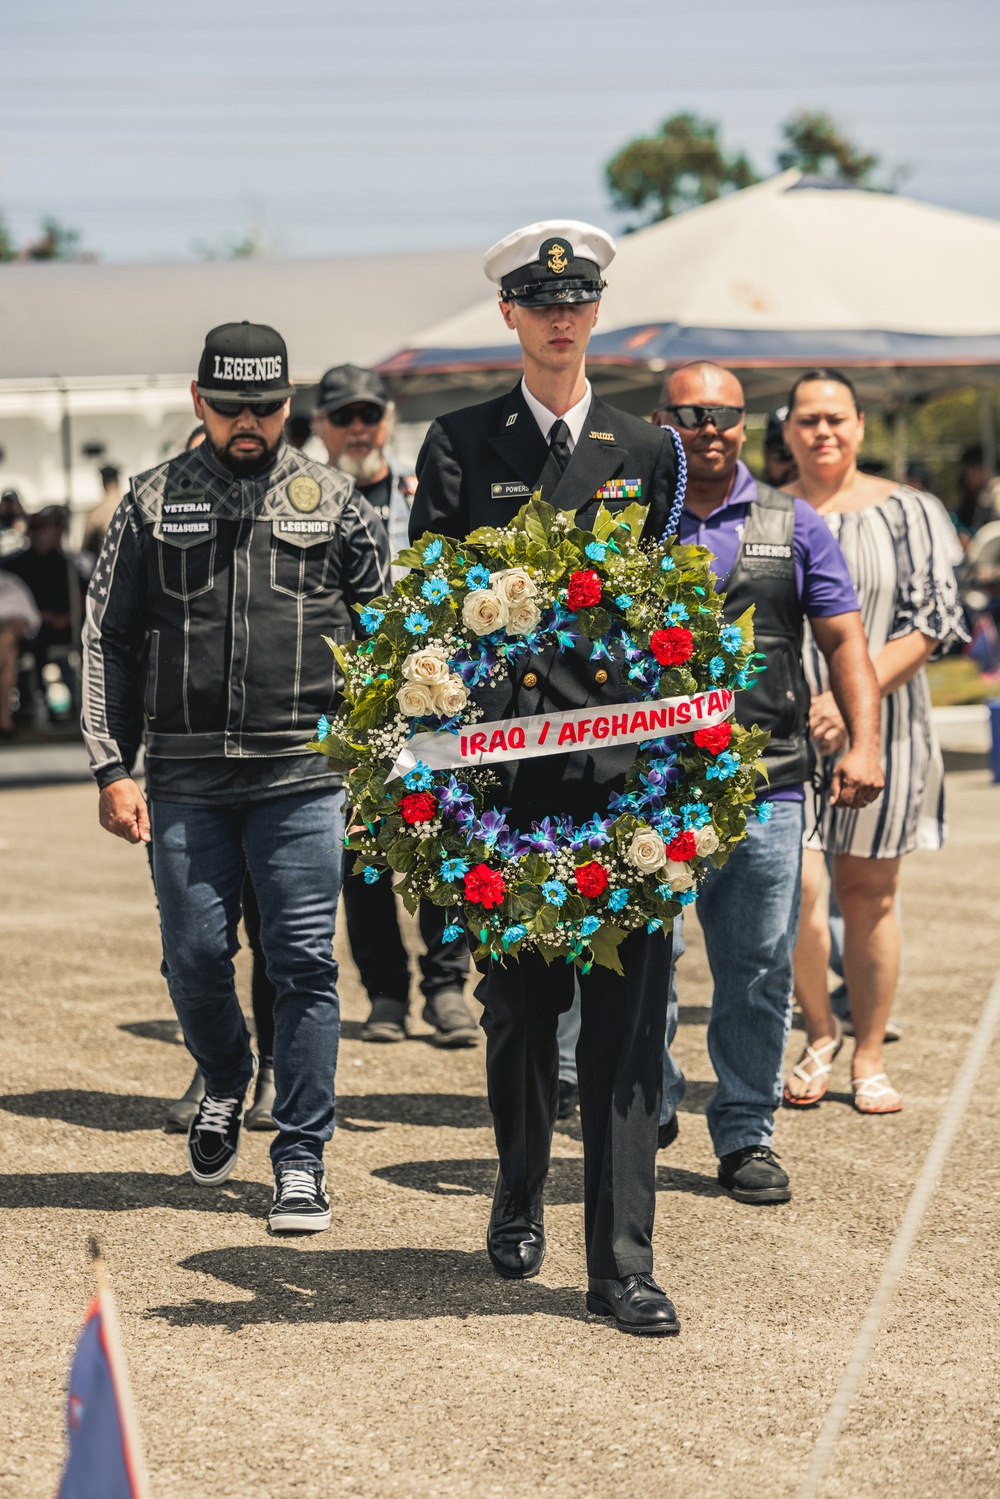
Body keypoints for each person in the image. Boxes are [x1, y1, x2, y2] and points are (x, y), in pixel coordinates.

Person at [411, 219, 683, 1336]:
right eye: (538, 299)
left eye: (576, 299)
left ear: (594, 314)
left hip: (620, 787)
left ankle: (622, 1266)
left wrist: (679, 779)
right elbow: (425, 620)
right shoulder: (460, 443)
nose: (560, 314)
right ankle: (520, 1186)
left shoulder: (648, 450)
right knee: (521, 1011)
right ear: (510, 316)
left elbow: (675, 622)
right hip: (509, 791)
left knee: (627, 1033)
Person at [82, 321, 389, 1232]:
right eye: (228, 406)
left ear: (289, 404)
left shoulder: (338, 503)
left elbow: (387, 644)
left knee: (302, 964)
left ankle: (300, 1156)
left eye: (263, 406)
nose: (246, 422)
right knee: (194, 956)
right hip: (183, 775)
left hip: (303, 775)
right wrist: (111, 765)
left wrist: (375, 768)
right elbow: (108, 638)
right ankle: (224, 1075)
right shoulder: (149, 502)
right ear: (198, 402)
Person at [651, 362, 883, 1200]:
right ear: (662, 420)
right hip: (653, 782)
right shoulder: (633, 516)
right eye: (692, 414)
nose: (710, 429)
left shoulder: (794, 522)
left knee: (756, 964)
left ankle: (746, 1130)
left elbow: (845, 641)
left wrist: (865, 741)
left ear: (749, 425)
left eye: (728, 416)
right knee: (649, 953)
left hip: (768, 778)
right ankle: (651, 1101)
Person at [781, 369, 966, 1115]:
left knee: (868, 894)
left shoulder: (912, 510)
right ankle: (818, 1032)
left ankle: (867, 1052)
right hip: (782, 730)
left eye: (836, 417)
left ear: (859, 425)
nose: (823, 431)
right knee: (792, 890)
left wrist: (846, 700)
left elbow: (934, 621)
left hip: (883, 725)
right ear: (787, 431)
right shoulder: (766, 512)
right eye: (807, 419)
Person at [313, 363, 475, 1046]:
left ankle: (446, 989)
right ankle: (385, 995)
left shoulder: (426, 488)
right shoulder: (305, 500)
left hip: (433, 700)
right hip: (344, 705)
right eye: (344, 416)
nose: (358, 429)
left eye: (368, 414)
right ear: (318, 424)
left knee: (442, 840)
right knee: (363, 853)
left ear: (389, 416)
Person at [163, 422, 279, 1132]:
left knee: (277, 935)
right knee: (192, 939)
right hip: (188, 769)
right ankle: (216, 1066)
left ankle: (269, 1070)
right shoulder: (160, 545)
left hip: (280, 767)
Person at [0, 569, 40, 736]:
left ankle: (4, 722)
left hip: (12, 638)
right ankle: (5, 722)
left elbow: (30, 618)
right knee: (9, 659)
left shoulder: (10, 582)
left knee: (8, 638)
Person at [82, 466, 123, 559]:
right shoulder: (130, 506)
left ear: (103, 482)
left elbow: (85, 545)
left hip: (106, 561)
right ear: (118, 481)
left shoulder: (98, 511)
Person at [761, 407, 798, 488]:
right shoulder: (752, 498)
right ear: (767, 455)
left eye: (802, 453)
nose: (795, 462)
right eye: (784, 453)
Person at [0, 489, 28, 558]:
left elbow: (20, 529)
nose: (7, 505)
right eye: (5, 502)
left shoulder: (21, 517)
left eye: (10, 503)